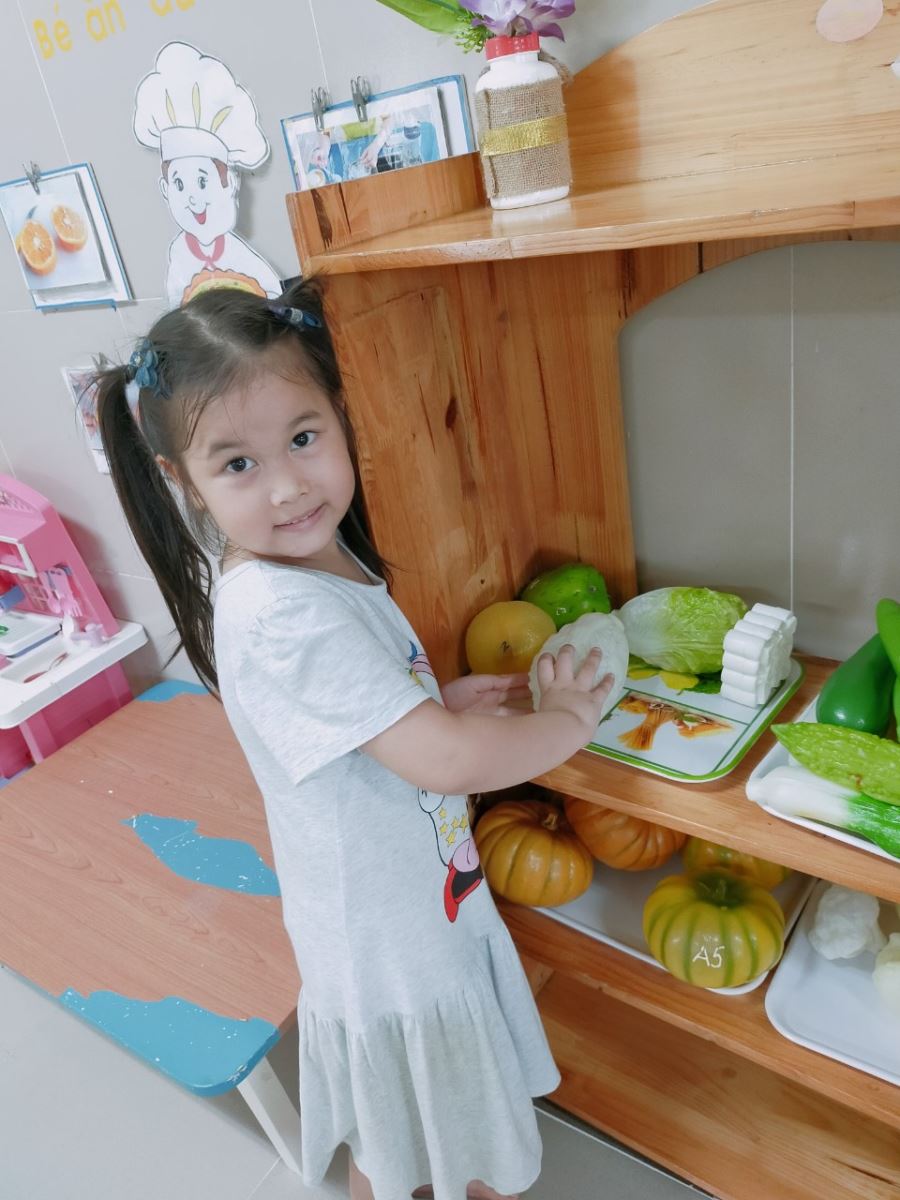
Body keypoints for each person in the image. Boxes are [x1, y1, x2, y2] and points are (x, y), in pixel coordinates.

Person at [95, 280, 613, 1200]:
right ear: (184, 482)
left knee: (408, 1121)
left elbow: (358, 716)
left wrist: (425, 698)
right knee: (416, 1124)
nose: (289, 486)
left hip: (400, 906)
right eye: (238, 464)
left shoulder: (317, 560)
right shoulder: (282, 610)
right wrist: (567, 722)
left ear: (340, 415)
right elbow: (445, 761)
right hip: (385, 935)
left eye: (303, 438)